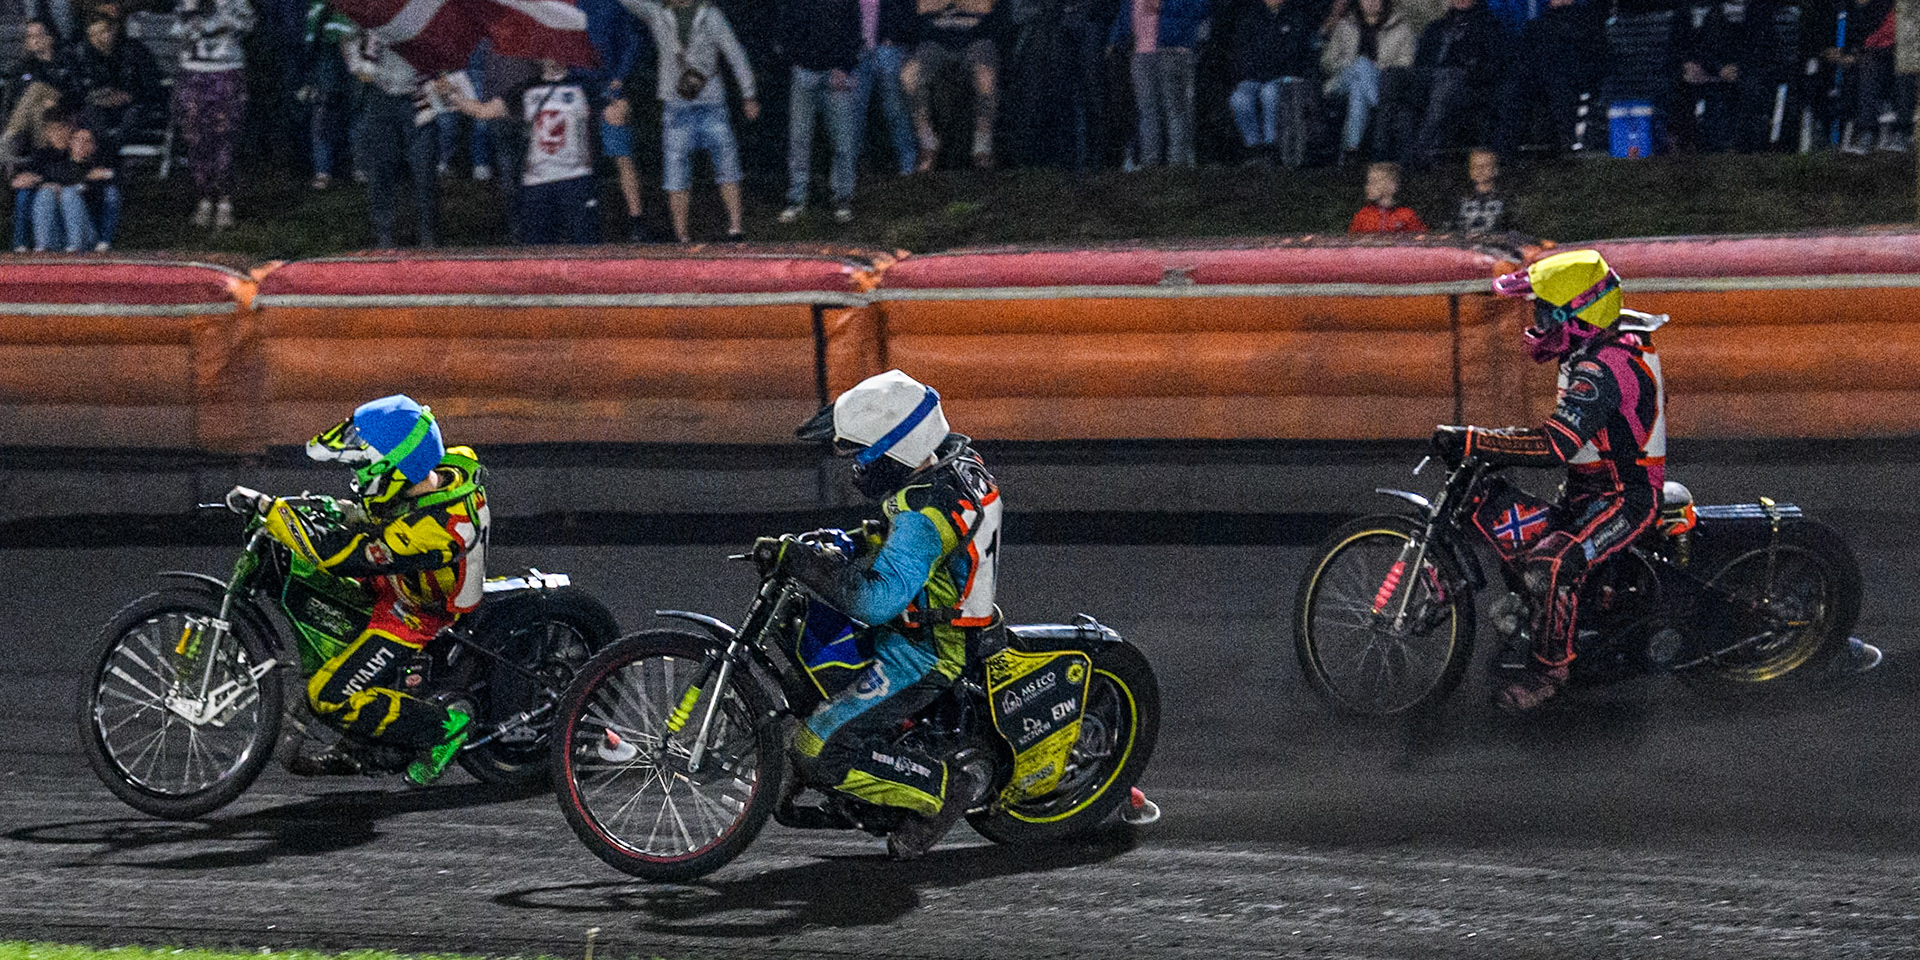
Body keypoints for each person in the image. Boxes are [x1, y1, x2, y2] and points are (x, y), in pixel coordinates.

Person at [1431, 250, 1666, 712]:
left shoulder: (1602, 369)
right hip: (1588, 493)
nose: (1536, 321)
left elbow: (1555, 444)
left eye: (1543, 311)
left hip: (1626, 500)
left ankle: (1549, 673)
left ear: (1576, 314)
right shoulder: (1593, 348)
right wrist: (1486, 444)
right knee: (1520, 534)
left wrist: (1476, 441)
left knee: (1551, 563)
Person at [785, 369, 1001, 860]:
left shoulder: (925, 516)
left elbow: (875, 601)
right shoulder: (952, 466)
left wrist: (805, 565)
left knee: (816, 746)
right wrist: (850, 542)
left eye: (862, 455)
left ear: (897, 449)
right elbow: (903, 538)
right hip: (939, 616)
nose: (857, 468)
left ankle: (941, 791)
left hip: (927, 651)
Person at [233, 394, 490, 784]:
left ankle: (445, 728)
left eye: (364, 469)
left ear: (395, 470)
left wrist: (275, 513)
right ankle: (362, 730)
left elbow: (341, 555)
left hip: (418, 613)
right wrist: (336, 509)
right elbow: (377, 511)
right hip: (398, 580)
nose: (358, 478)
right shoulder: (438, 469)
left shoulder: (435, 531)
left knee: (327, 696)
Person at [620, 0, 759, 242]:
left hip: (711, 100)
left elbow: (733, 52)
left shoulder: (710, 15)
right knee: (675, 171)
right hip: (676, 104)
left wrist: (749, 94)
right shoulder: (659, 13)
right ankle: (681, 236)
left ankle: (736, 229)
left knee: (727, 164)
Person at [443, 58, 601, 244]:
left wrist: (617, 104)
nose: (552, 56)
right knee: (538, 248)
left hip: (577, 178)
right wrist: (452, 94)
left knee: (585, 246)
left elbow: (610, 110)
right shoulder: (526, 89)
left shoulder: (584, 86)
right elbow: (483, 111)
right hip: (538, 181)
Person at [346, 30, 439, 247]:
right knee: (381, 168)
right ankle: (384, 235)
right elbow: (350, 45)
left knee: (424, 169)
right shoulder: (373, 17)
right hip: (381, 97)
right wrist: (353, 57)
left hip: (417, 98)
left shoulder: (417, 16)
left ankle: (428, 236)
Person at [171, 0, 255, 231]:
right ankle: (204, 198)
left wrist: (219, 21)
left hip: (226, 72)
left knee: (225, 136)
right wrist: (191, 10)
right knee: (196, 138)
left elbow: (246, 26)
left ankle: (225, 199)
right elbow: (178, 31)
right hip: (193, 74)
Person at [779, 0, 862, 224]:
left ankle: (842, 198)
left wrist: (844, 67)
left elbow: (854, 30)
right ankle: (797, 198)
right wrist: (795, 60)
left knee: (843, 141)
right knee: (799, 139)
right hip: (804, 72)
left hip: (835, 75)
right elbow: (786, 27)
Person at [1493, 0, 1606, 160]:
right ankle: (1503, 153)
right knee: (1515, 89)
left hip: (1572, 75)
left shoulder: (1586, 21)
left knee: (1559, 84)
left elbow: (1594, 57)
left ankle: (1569, 146)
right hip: (1540, 76)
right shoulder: (1538, 25)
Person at [1110, 0, 1212, 168]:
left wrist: (1186, 40)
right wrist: (1116, 39)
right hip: (1141, 52)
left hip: (1173, 50)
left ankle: (1178, 164)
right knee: (1147, 110)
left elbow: (1200, 9)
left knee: (1175, 109)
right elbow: (1126, 12)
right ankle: (1150, 163)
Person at [1320, 0, 1417, 163]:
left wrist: (1378, 68)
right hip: (1343, 79)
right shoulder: (1345, 26)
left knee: (1358, 89)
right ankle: (1381, 107)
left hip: (1381, 81)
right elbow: (1327, 61)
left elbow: (1407, 62)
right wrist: (1352, 64)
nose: (1370, 3)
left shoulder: (1401, 27)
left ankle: (1352, 148)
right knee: (1361, 64)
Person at [1407, 0, 1501, 168]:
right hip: (1432, 82)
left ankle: (1421, 149)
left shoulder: (1489, 25)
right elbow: (1421, 63)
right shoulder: (1436, 27)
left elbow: (1492, 65)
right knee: (1402, 81)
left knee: (1448, 80)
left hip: (1469, 86)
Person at [1227, 0, 1317, 168]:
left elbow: (1295, 52)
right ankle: (1253, 147)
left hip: (1282, 77)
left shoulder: (1294, 15)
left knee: (1270, 93)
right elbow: (1242, 51)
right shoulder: (1251, 15)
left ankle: (1271, 147)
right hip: (1254, 76)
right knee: (1239, 99)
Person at [1675, 0, 1771, 153]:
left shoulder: (1759, 13)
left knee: (1750, 92)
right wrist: (1719, 70)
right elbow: (1705, 50)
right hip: (1717, 77)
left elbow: (1764, 50)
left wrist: (1740, 69)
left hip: (1751, 76)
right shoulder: (1714, 17)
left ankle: (1745, 147)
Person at [71, 14, 162, 149]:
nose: (98, 39)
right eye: (93, 35)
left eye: (102, 32)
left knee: (134, 114)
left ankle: (111, 151)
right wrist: (100, 98)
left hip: (135, 104)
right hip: (103, 106)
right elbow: (80, 89)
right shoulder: (87, 56)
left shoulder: (135, 51)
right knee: (92, 112)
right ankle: (103, 150)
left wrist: (129, 96)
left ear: (113, 30)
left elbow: (152, 84)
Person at [850, 0, 920, 175]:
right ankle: (850, 168)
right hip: (857, 51)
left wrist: (894, 36)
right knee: (853, 112)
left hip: (888, 49)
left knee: (895, 108)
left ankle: (908, 165)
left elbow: (908, 9)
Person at [298, 0, 355, 190]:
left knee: (356, 110)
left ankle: (357, 165)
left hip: (351, 50)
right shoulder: (317, 7)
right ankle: (323, 170)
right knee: (324, 113)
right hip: (327, 54)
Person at [1347, 160, 1426, 232]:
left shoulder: (1406, 215)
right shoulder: (1363, 216)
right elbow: (1351, 243)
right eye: (1369, 182)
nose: (1368, 186)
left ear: (1392, 186)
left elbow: (1421, 241)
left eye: (1375, 182)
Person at [1444, 146, 1505, 234]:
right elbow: (1450, 228)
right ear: (1470, 171)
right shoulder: (1460, 198)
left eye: (1485, 166)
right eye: (1475, 166)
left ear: (1495, 170)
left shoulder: (1505, 198)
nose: (1480, 170)